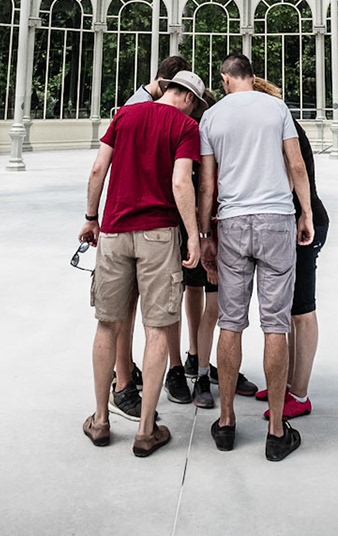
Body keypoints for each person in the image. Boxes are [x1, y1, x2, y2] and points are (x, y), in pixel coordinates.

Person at [78, 69, 207, 456]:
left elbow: (99, 168)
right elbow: (182, 183)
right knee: (156, 328)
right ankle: (146, 430)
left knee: (107, 325)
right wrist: (195, 236)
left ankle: (101, 421)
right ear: (188, 97)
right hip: (158, 234)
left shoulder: (125, 115)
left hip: (114, 232)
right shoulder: (185, 127)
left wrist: (90, 217)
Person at [199, 52, 313, 461]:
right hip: (276, 220)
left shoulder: (211, 117)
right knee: (275, 325)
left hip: (231, 221)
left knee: (230, 323)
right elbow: (295, 164)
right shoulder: (277, 107)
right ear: (251, 76)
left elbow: (207, 185)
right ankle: (277, 430)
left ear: (227, 79)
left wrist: (204, 234)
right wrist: (307, 213)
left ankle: (227, 422)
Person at [251, 79, 327, 423]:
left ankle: (300, 394)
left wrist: (305, 215)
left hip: (303, 223)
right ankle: (287, 382)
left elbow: (296, 172)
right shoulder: (278, 125)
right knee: (289, 310)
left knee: (301, 309)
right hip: (293, 222)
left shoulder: (283, 126)